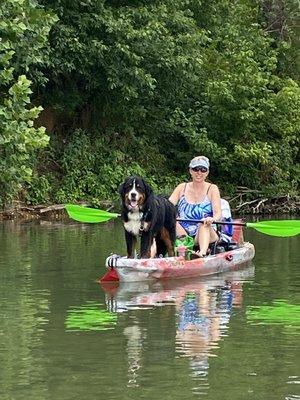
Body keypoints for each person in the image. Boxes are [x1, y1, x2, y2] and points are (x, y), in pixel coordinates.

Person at [169, 156, 222, 257]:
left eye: (203, 170)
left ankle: (201, 253)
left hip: (206, 229)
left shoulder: (212, 189)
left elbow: (218, 213)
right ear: (190, 171)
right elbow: (167, 206)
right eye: (195, 169)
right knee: (170, 221)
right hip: (184, 233)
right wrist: (173, 216)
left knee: (203, 223)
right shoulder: (181, 188)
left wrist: (212, 219)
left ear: (207, 173)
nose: (199, 173)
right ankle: (156, 253)